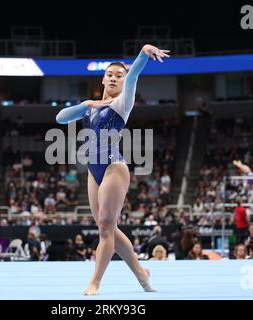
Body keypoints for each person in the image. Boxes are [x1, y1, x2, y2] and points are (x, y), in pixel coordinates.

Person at [56, 44, 169, 295]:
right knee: (107, 229)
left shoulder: (122, 102)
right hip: (92, 171)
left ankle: (95, 281)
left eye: (119, 75)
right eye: (110, 74)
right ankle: (142, 275)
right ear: (103, 79)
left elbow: (135, 74)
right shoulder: (93, 106)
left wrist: (142, 54)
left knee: (107, 225)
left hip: (113, 168)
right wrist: (87, 104)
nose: (115, 78)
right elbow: (61, 118)